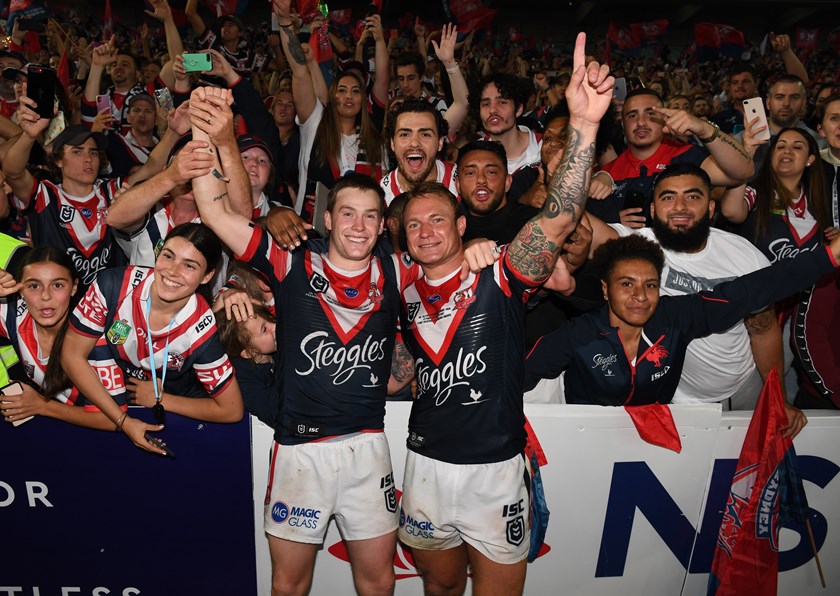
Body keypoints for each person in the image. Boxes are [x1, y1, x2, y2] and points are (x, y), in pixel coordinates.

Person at [396, 32, 612, 595]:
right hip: (425, 466)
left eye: (437, 220)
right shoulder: (401, 293)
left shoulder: (501, 273)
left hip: (495, 471)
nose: (425, 232)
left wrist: (585, 125)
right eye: (414, 225)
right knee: (440, 589)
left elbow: (560, 218)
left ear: (462, 223)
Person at [186, 84, 416, 595]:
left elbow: (453, 272)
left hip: (367, 448)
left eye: (371, 216)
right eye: (348, 213)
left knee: (378, 583)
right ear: (328, 218)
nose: (359, 225)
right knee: (289, 586)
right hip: (299, 451)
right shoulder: (290, 262)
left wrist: (479, 249)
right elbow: (218, 215)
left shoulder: (398, 271)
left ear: (382, 226)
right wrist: (209, 135)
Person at [524, 231, 836, 426]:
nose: (640, 297)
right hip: (585, 439)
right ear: (605, 290)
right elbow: (516, 380)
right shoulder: (577, 334)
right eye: (626, 284)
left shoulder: (674, 317)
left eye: (650, 285)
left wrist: (828, 257)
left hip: (655, 439)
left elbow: (750, 290)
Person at [590, 162, 805, 433]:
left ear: (711, 209)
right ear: (653, 210)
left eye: (692, 196)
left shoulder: (745, 256)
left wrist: (778, 397)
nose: (680, 206)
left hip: (744, 388)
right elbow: (575, 224)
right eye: (668, 197)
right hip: (673, 397)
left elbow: (762, 329)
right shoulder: (636, 247)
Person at [60, 222, 244, 455]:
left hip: (161, 416)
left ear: (207, 276)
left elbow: (232, 409)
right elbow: (71, 355)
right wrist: (122, 421)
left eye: (189, 265)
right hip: (107, 404)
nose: (172, 271)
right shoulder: (113, 285)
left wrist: (161, 399)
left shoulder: (200, 330)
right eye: (168, 256)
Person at [273, 0, 388, 223]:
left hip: (363, 233)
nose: (348, 96)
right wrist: (285, 22)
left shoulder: (374, 140)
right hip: (314, 235)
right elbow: (298, 72)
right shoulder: (315, 123)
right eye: (342, 90)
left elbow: (382, 81)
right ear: (332, 96)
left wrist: (381, 40)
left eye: (355, 91)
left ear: (364, 100)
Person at [586, 87, 753, 229]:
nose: (641, 122)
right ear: (623, 124)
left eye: (650, 113)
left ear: (665, 119)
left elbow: (743, 171)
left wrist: (705, 129)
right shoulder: (608, 172)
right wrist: (615, 224)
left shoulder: (687, 155)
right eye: (632, 115)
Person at [3, 103, 127, 291]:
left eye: (93, 152)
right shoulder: (46, 195)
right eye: (77, 151)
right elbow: (12, 172)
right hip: (57, 305)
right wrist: (29, 135)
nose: (88, 158)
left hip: (109, 304)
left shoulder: (111, 190)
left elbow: (151, 169)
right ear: (59, 160)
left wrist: (172, 134)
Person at [0, 247, 114, 429]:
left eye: (57, 285)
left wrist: (40, 405)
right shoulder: (13, 317)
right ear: (20, 289)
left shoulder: (94, 338)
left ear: (74, 287)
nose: (45, 296)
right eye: (34, 286)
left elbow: (112, 419)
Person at [379, 99, 457, 206]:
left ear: (440, 142)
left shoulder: (461, 183)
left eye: (425, 134)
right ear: (392, 143)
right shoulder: (380, 198)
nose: (414, 143)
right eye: (405, 135)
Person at [183, 1, 252, 77]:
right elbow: (190, 13)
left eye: (230, 25)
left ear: (240, 33)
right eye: (223, 26)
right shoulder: (213, 44)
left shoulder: (248, 56)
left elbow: (267, 65)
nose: (225, 28)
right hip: (207, 88)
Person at [103, 92, 159, 180]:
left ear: (156, 120)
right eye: (137, 110)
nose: (142, 115)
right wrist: (96, 131)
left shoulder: (165, 146)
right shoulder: (115, 144)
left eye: (148, 111)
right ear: (128, 117)